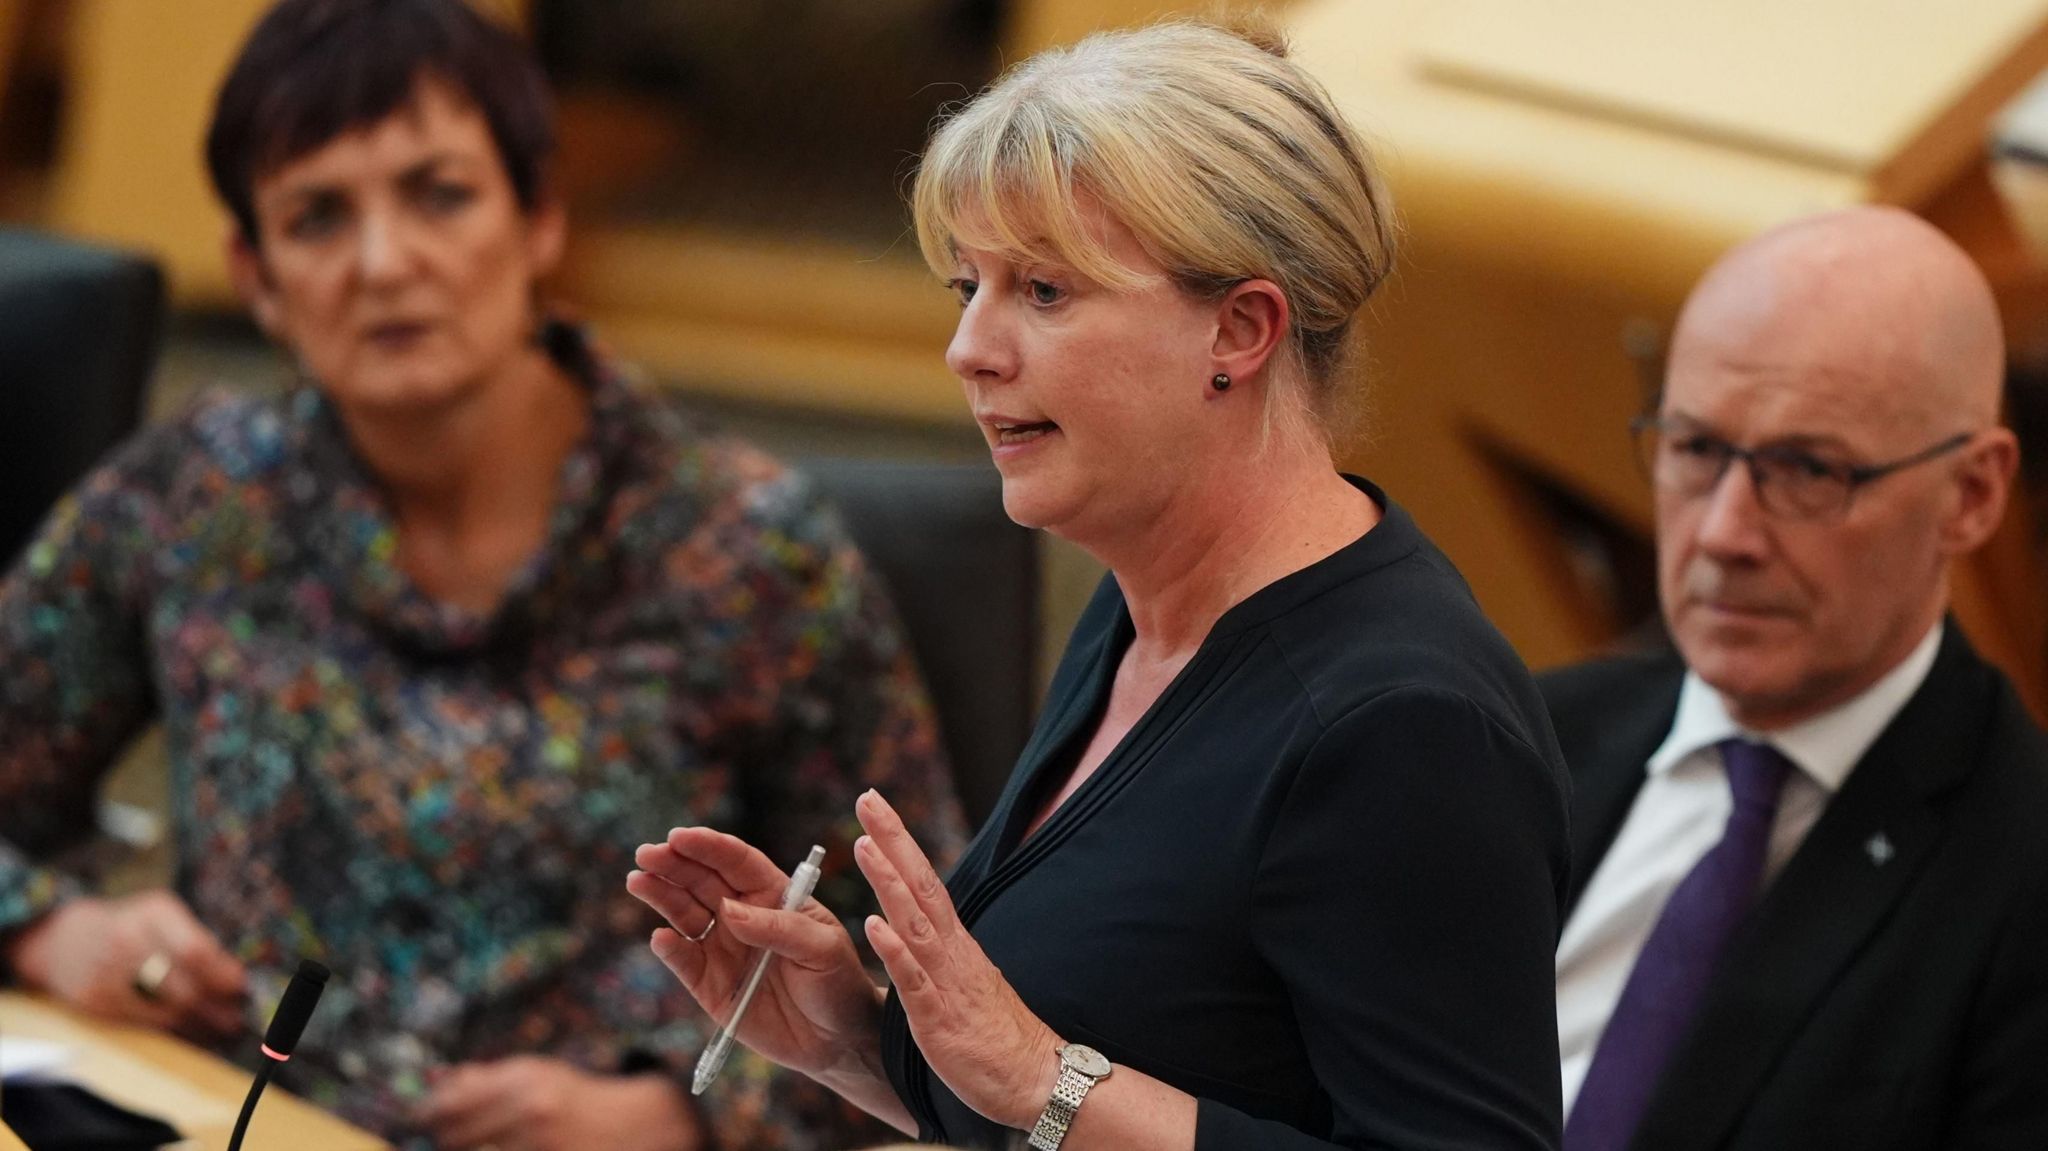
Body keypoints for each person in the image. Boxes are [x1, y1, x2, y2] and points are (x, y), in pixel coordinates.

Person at [0, 1, 967, 1148]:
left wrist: (685, 1114)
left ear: (539, 219)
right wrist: (43, 927)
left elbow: (932, 967)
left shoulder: (745, 544)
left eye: (439, 195)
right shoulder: (199, 498)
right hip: (249, 1118)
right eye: (317, 216)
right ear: (255, 279)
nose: (383, 262)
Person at [630, 20, 1571, 1151]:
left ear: (1239, 327)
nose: (968, 347)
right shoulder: (1141, 603)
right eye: (965, 285)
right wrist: (852, 1038)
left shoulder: (1400, 723)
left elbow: (1053, 1088)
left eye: (1042, 290)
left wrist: (1039, 1076)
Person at [1546, 206, 2048, 1151]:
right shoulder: (1519, 739)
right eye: (1696, 449)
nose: (1726, 533)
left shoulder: (2019, 884)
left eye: (1808, 469)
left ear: (1973, 495)